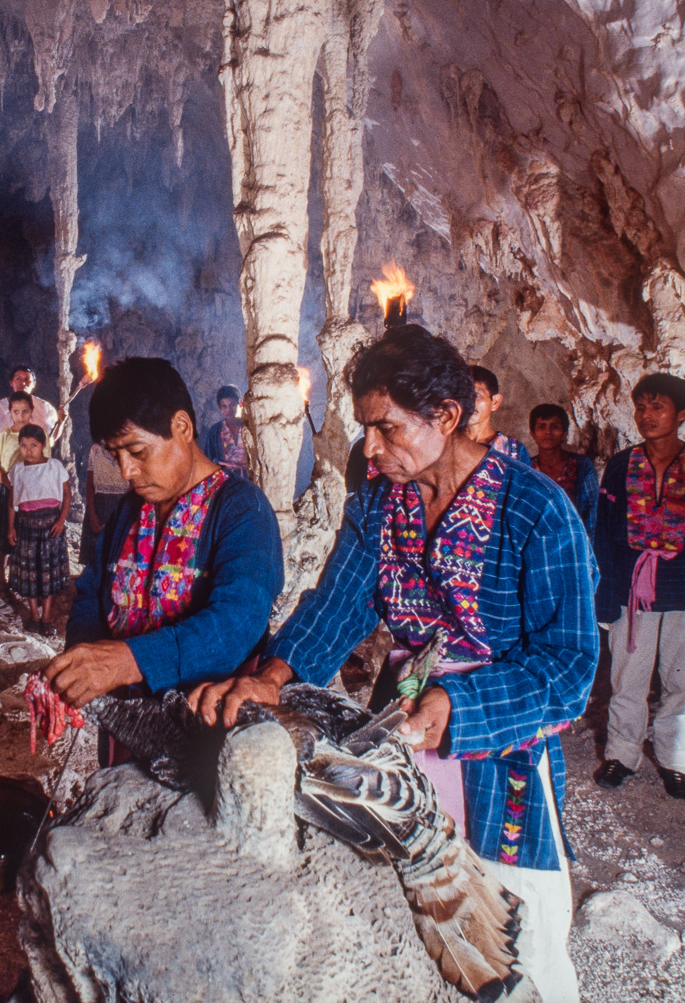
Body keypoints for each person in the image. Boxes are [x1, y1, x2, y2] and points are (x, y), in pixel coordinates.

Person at [189, 326, 597, 1003]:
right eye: (365, 431)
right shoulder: (379, 503)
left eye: (385, 429)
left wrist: (456, 708)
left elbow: (569, 667)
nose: (370, 450)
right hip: (402, 717)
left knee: (516, 928)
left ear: (445, 415)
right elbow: (339, 604)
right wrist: (273, 675)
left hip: (500, 745)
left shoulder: (537, 511)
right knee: (407, 910)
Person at [45, 357, 283, 736]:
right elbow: (92, 589)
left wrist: (129, 660)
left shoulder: (242, 510)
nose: (126, 471)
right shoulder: (129, 509)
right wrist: (85, 656)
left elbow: (237, 622)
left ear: (182, 427)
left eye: (137, 451)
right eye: (114, 455)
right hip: (125, 720)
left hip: (209, 723)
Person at [591, 373, 685, 801]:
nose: (646, 416)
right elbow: (605, 535)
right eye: (641, 407)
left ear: (681, 415)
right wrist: (605, 596)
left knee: (683, 682)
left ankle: (676, 761)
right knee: (627, 678)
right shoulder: (621, 466)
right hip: (633, 592)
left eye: (658, 407)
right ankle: (621, 753)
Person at [8, 424, 72, 629]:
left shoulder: (54, 466)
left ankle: (46, 617)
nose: (28, 450)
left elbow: (67, 495)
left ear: (43, 445)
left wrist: (61, 520)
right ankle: (34, 615)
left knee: (47, 571)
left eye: (33, 445)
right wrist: (11, 527)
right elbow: (12, 502)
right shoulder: (17, 470)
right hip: (26, 525)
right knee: (29, 572)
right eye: (24, 446)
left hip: (50, 525)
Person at [0, 392, 48, 587]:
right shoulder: (4, 436)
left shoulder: (39, 435)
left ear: (32, 412)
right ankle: (1, 577)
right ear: (10, 412)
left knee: (24, 536)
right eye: (16, 412)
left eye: (25, 411)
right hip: (6, 491)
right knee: (3, 536)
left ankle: (19, 576)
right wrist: (9, 484)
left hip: (30, 493)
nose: (20, 416)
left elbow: (45, 463)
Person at [0, 365, 59, 481]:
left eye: (27, 380)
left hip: (33, 469)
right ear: (11, 382)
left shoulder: (44, 408)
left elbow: (50, 438)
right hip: (6, 466)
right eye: (18, 379)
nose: (23, 383)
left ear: (34, 384)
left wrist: (61, 422)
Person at [529, 403, 598, 533]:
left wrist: (588, 547)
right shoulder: (527, 468)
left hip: (573, 540)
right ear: (533, 433)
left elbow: (592, 510)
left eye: (554, 427)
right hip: (537, 542)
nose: (548, 432)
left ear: (564, 433)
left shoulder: (581, 465)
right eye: (542, 427)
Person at [467, 365, 532, 467]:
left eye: (476, 395)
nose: (468, 402)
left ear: (495, 402)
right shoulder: (446, 444)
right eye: (462, 395)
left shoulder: (514, 451)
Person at [80, 439, 130, 569]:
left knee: (118, 558)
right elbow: (90, 484)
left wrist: (121, 517)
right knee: (95, 560)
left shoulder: (129, 449)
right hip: (99, 508)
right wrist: (92, 516)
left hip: (123, 506)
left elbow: (133, 486)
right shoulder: (96, 449)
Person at [200, 383, 252, 481]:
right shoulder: (215, 431)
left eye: (232, 405)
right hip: (225, 482)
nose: (229, 409)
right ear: (220, 408)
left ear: (240, 403)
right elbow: (208, 460)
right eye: (224, 406)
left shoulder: (249, 427)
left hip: (249, 479)